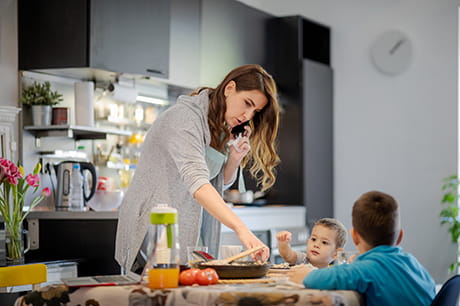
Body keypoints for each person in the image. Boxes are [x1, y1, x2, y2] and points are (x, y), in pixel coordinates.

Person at [115, 64, 281, 271]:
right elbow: (198, 183)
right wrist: (241, 229)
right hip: (154, 231)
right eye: (247, 103)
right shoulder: (184, 119)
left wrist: (234, 158)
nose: (248, 115)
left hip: (186, 229)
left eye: (255, 111)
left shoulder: (218, 126)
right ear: (229, 89)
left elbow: (219, 182)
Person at [288, 191, 436, 306]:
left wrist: (307, 273)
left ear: (355, 236)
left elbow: (318, 279)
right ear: (400, 236)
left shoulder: (365, 270)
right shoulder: (414, 264)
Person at [276, 218, 347, 268]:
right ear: (308, 241)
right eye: (313, 239)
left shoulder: (331, 275)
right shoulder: (302, 259)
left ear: (336, 253)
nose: (316, 245)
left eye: (324, 242)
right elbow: (288, 255)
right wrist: (283, 243)